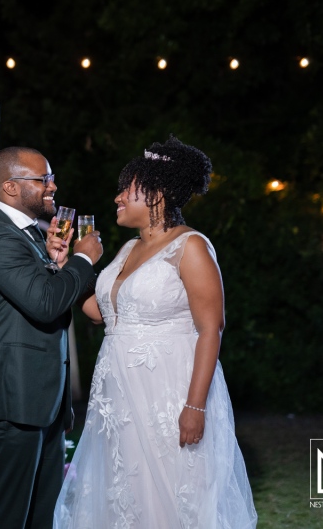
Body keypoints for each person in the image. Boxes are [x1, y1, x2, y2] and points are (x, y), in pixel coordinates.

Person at [54, 136, 258, 528]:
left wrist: (194, 407)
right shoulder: (128, 249)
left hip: (166, 390)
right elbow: (101, 313)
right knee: (125, 490)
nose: (116, 198)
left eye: (126, 190)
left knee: (168, 490)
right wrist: (67, 266)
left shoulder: (191, 246)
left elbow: (211, 328)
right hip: (118, 397)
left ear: (157, 195)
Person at [0, 146, 104, 528]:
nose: (53, 185)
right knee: (3, 519)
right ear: (10, 187)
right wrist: (82, 259)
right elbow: (44, 304)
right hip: (8, 403)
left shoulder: (27, 237)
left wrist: (57, 266)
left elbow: (42, 303)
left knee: (42, 517)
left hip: (39, 404)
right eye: (43, 179)